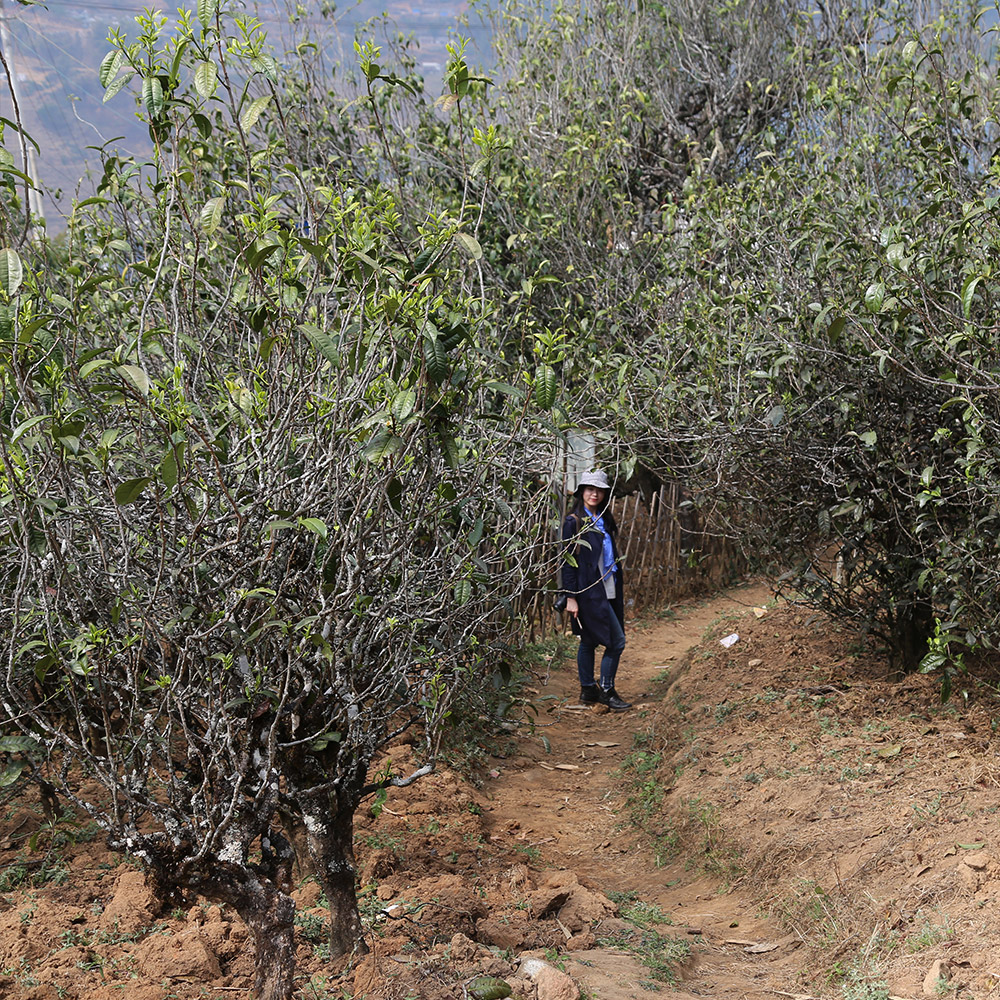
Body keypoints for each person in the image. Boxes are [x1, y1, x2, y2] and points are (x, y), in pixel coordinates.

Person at [560, 471, 631, 712]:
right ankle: (607, 691)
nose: (594, 493)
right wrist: (570, 596)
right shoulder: (574, 522)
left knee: (589, 641)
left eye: (599, 490)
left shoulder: (604, 519)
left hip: (608, 586)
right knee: (617, 642)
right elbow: (566, 561)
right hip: (587, 591)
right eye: (590, 488)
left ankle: (588, 689)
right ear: (581, 491)